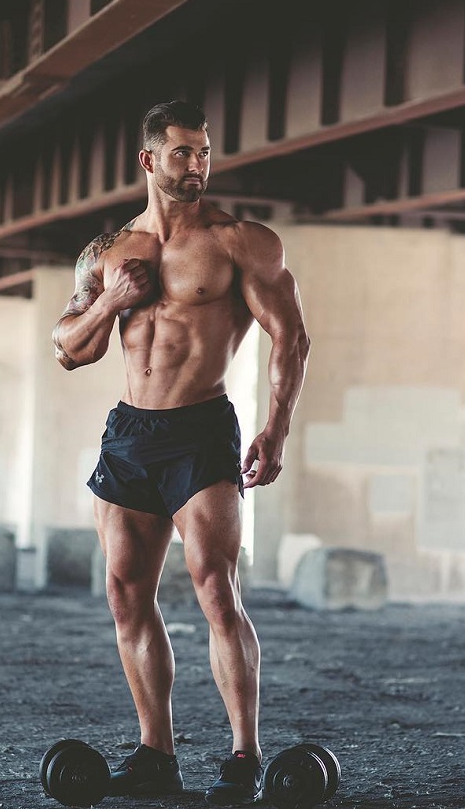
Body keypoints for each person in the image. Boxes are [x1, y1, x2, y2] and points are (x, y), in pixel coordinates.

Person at [51, 99, 310, 805]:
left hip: (201, 430)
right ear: (148, 160)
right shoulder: (105, 255)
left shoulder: (239, 243)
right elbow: (69, 347)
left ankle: (242, 757)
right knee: (125, 593)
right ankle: (155, 754)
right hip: (132, 435)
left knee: (213, 585)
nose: (196, 165)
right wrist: (110, 303)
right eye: (182, 153)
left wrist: (276, 427)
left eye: (203, 153)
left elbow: (291, 337)